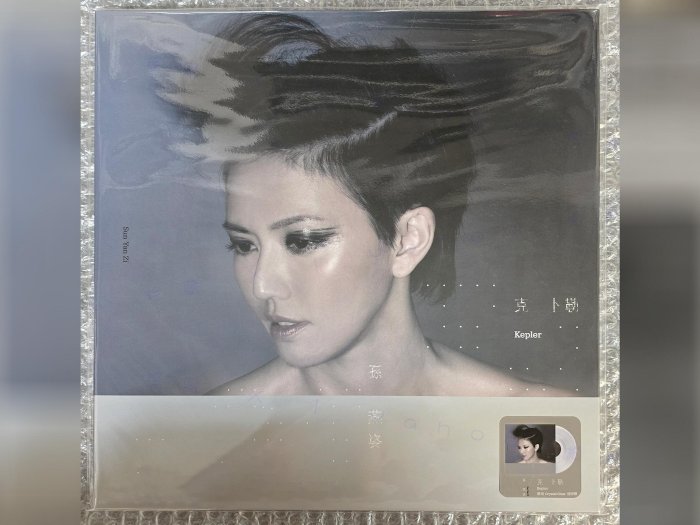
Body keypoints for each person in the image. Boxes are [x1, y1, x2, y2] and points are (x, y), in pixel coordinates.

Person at [160, 14, 572, 396]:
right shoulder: (204, 431)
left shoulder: (540, 420)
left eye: (303, 241)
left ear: (408, 239)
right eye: (244, 245)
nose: (262, 285)